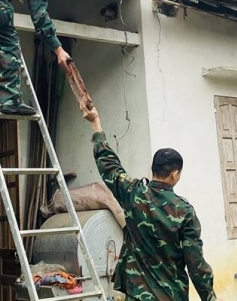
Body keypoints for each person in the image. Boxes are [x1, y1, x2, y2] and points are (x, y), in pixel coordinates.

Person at [81, 103, 216, 300]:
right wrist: (209, 297)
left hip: (137, 295)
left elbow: (109, 166)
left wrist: (96, 124)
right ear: (175, 174)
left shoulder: (132, 192)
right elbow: (195, 263)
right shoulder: (185, 211)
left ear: (153, 168)